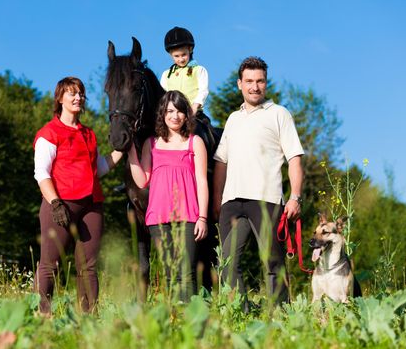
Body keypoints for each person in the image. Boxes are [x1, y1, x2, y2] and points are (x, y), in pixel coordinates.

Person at [213, 57, 304, 307]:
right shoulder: (233, 119)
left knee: (273, 263)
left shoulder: (279, 114)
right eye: (249, 81)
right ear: (239, 84)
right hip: (232, 201)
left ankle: (280, 317)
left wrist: (295, 197)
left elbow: (295, 158)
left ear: (266, 83)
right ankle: (240, 313)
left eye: (260, 81)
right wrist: (217, 200)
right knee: (227, 263)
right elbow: (221, 162)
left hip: (267, 200)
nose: (255, 86)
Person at [33, 76, 122, 314]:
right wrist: (55, 203)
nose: (78, 97)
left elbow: (98, 168)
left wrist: (121, 150)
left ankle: (89, 317)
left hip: (91, 205)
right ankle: (43, 315)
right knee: (50, 265)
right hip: (60, 204)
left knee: (89, 267)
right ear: (60, 98)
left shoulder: (89, 134)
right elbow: (41, 173)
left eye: (81, 93)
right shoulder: (49, 133)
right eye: (72, 93)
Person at [127, 90, 208, 300]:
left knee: (187, 273)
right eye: (170, 111)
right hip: (158, 218)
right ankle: (175, 321)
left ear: (186, 115)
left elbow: (202, 181)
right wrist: (130, 153)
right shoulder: (151, 144)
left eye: (180, 111)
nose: (175, 116)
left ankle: (190, 321)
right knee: (171, 275)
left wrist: (203, 217)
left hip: (189, 217)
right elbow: (142, 180)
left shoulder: (195, 142)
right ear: (162, 113)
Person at [161, 27, 209, 116]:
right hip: (173, 115)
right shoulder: (166, 74)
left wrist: (194, 107)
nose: (181, 59)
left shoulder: (199, 70)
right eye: (176, 56)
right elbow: (163, 96)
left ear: (190, 50)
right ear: (170, 55)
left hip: (194, 114)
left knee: (205, 129)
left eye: (184, 55)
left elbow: (203, 90)